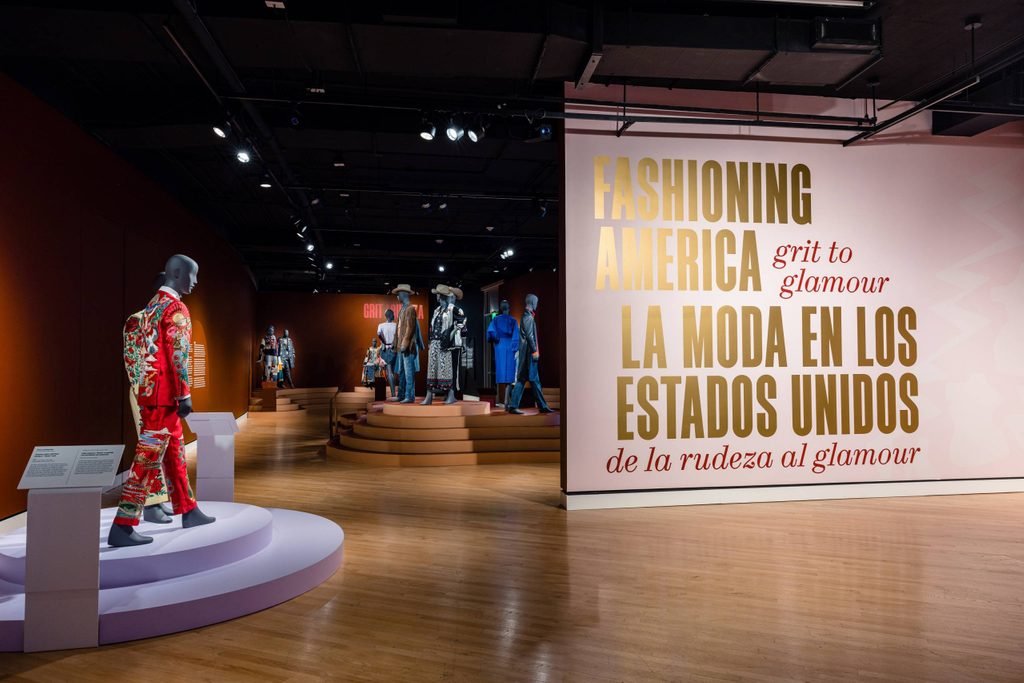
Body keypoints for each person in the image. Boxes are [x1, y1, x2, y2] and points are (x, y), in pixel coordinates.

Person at [507, 293, 553, 415]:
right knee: (534, 380)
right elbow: (529, 336)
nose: (537, 304)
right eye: (536, 302)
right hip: (529, 355)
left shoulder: (526, 316)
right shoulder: (528, 317)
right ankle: (542, 406)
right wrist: (534, 351)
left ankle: (514, 405)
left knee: (522, 380)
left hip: (525, 355)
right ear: (532, 303)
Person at [486, 299, 518, 408]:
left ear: (500, 308)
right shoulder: (513, 320)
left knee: (500, 372)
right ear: (509, 308)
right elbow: (516, 336)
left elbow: (490, 332)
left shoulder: (496, 320)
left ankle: (500, 400)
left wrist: (496, 339)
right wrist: (515, 347)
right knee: (509, 374)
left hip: (499, 346)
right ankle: (506, 401)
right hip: (509, 346)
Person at [377, 309, 399, 400]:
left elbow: (379, 334)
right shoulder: (396, 325)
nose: (394, 315)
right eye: (393, 314)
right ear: (390, 315)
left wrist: (384, 342)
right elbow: (398, 336)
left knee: (390, 371)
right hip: (393, 349)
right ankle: (395, 393)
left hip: (386, 348)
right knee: (393, 371)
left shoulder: (381, 325)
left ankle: (394, 394)